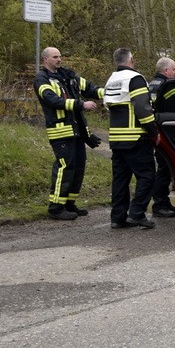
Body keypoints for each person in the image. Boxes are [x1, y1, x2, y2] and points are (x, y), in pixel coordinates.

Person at [35, 47, 104, 221]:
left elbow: (90, 89)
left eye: (60, 56)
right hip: (60, 132)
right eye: (55, 57)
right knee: (65, 168)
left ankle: (69, 204)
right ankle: (56, 208)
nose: (59, 60)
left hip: (77, 132)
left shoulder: (68, 76)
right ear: (45, 60)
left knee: (79, 167)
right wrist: (81, 104)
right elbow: (52, 100)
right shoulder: (41, 79)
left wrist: (112, 92)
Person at [103, 48, 158, 229]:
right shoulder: (135, 79)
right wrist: (153, 131)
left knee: (120, 179)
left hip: (117, 138)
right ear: (131, 60)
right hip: (135, 136)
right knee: (147, 175)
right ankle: (137, 213)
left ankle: (118, 218)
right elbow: (142, 108)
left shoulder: (112, 80)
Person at [147, 57, 175, 218]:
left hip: (155, 131)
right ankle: (160, 204)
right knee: (164, 170)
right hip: (166, 134)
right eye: (174, 69)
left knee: (163, 168)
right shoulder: (169, 88)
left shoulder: (151, 85)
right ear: (166, 70)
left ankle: (163, 202)